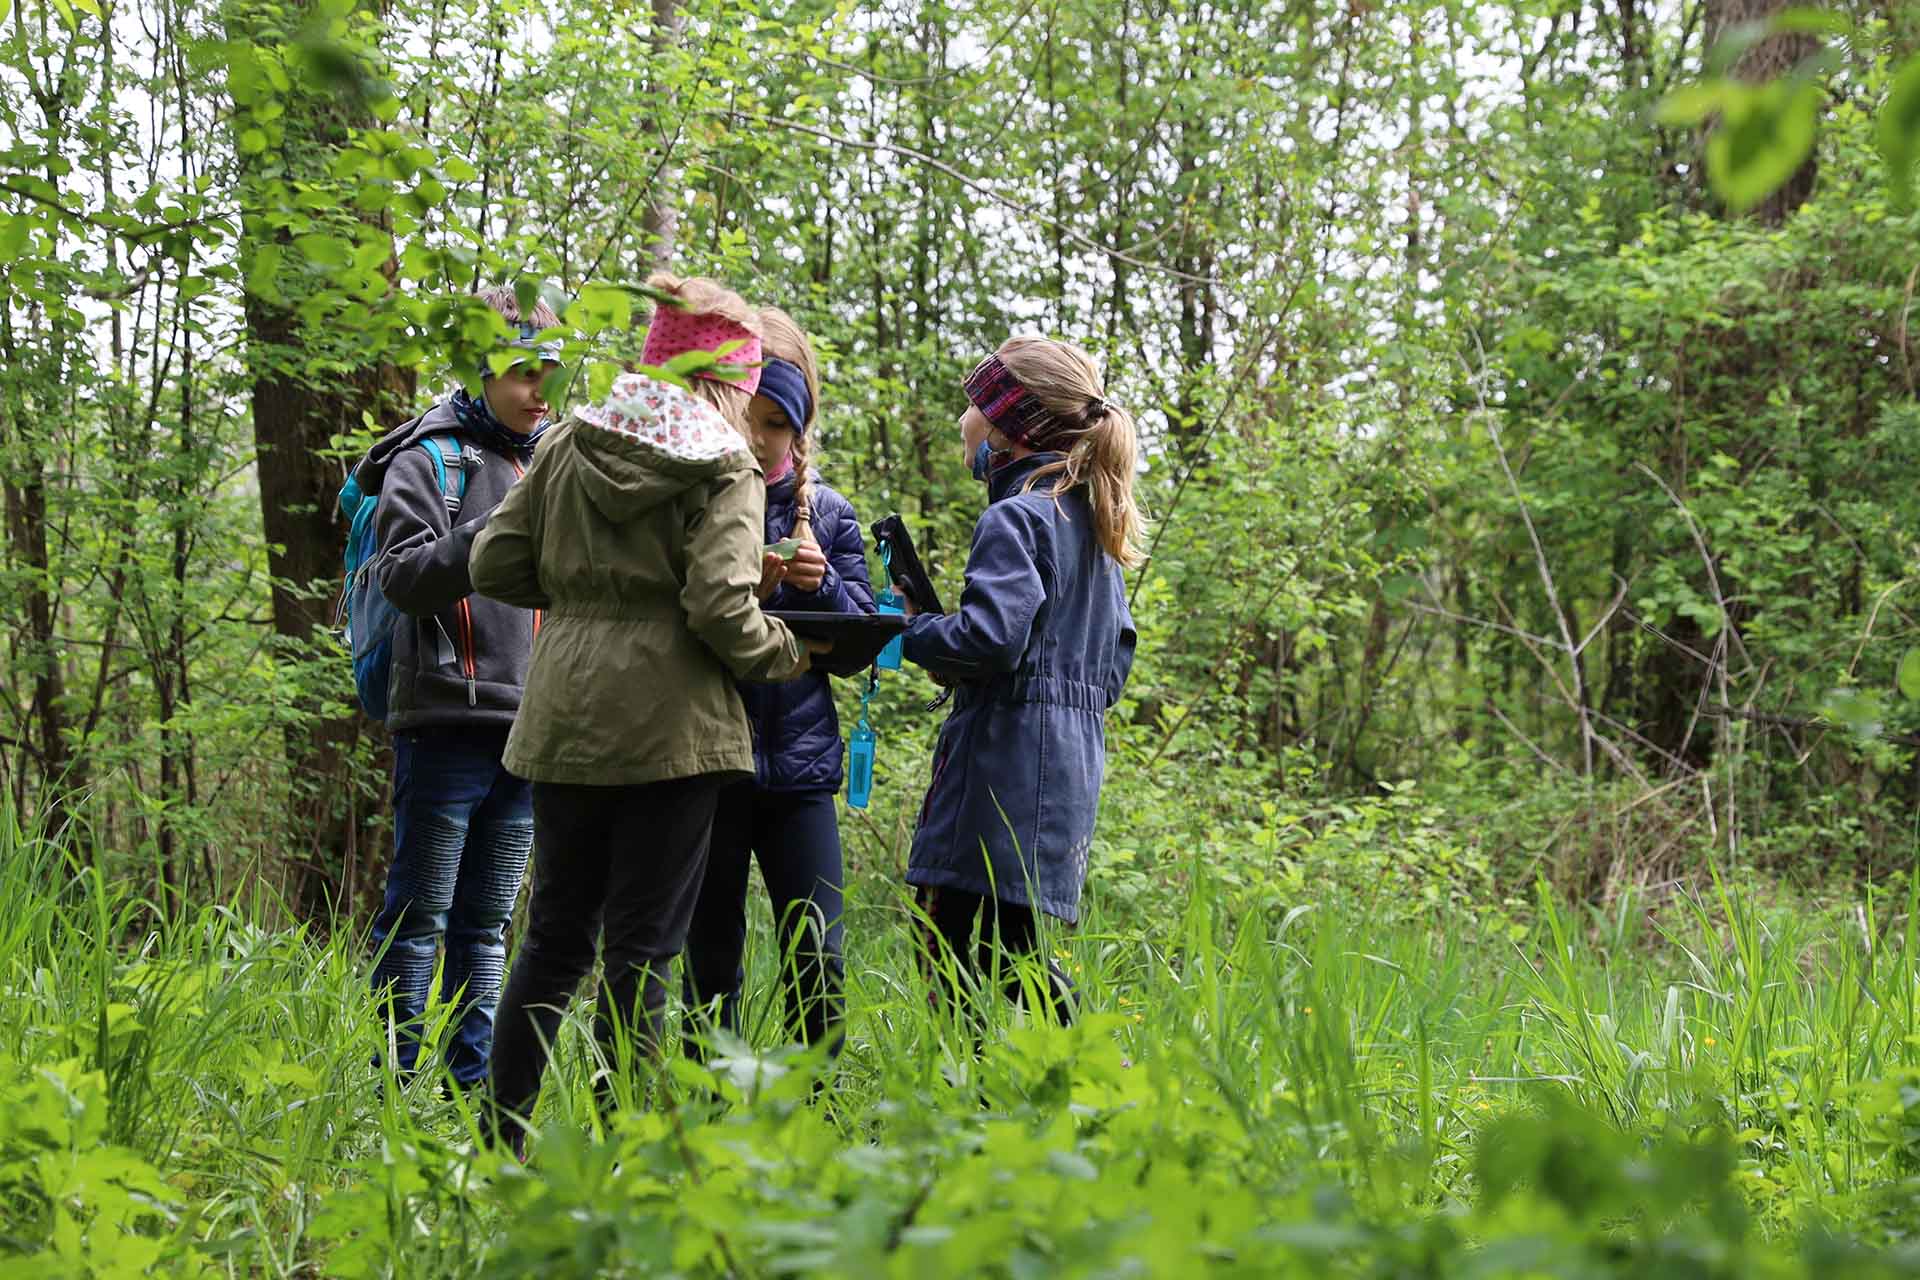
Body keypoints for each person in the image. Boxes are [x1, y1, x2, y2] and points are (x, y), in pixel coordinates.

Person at [471, 275, 816, 1152]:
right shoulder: (725, 467)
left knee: (552, 940)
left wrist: (587, 595)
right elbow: (718, 609)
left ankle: (496, 1146)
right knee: (641, 952)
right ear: (729, 382)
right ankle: (625, 1156)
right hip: (673, 732)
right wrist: (793, 652)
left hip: (563, 718)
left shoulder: (567, 444)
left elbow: (494, 566)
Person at [897, 336, 1141, 1024]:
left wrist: (909, 633)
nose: (962, 422)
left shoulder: (1016, 515)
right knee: (1018, 955)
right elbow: (1113, 663)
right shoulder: (1094, 527)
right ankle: (1083, 1080)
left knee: (942, 941)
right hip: (1066, 779)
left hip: (994, 774)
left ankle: (957, 1101)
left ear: (1006, 425)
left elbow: (991, 637)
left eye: (973, 406)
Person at [357, 286, 559, 1091]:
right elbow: (403, 577)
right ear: (479, 370)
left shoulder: (551, 463)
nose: (539, 388)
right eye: (521, 371)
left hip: (528, 733)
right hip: (443, 724)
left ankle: (469, 1090)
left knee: (487, 928)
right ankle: (396, 1090)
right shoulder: (429, 457)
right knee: (418, 922)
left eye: (551, 370)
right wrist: (495, 528)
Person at [682, 307, 873, 1063]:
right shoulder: (695, 499)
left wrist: (818, 586)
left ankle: (818, 1118)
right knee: (710, 957)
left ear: (800, 429)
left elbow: (857, 644)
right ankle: (707, 1115)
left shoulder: (828, 514)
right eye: (749, 416)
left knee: (818, 957)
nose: (759, 438)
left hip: (800, 771)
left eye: (777, 423)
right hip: (708, 760)